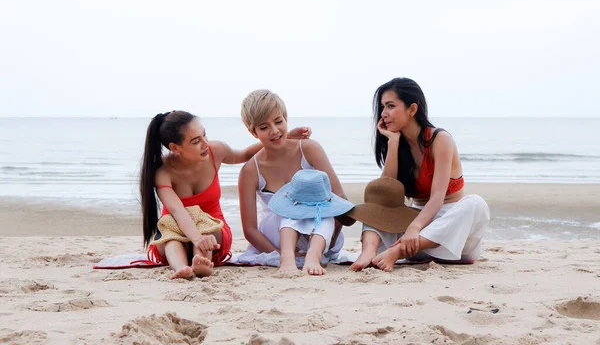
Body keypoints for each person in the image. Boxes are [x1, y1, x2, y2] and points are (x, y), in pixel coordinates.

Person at [140, 110, 310, 279]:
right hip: (176, 227)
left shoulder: (216, 151)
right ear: (175, 148)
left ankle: (201, 264)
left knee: (207, 232)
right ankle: (181, 268)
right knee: (171, 239)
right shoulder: (163, 172)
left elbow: (243, 155)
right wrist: (196, 238)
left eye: (204, 135)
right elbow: (177, 211)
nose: (206, 144)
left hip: (212, 231)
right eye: (196, 141)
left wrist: (286, 137)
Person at [349, 78, 491, 272]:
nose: (383, 114)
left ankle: (396, 252)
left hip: (451, 236)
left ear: (412, 109)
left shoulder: (440, 139)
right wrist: (393, 142)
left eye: (391, 106)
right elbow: (384, 190)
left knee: (476, 204)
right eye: (382, 107)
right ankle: (368, 252)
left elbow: (438, 198)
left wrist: (414, 229)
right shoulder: (399, 145)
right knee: (377, 198)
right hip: (415, 235)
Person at [237, 90, 348, 275]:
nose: (275, 131)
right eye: (264, 127)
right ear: (253, 131)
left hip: (317, 231)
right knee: (288, 204)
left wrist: (330, 242)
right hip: (278, 237)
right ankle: (287, 258)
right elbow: (250, 230)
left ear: (286, 118)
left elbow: (339, 199)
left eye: (279, 121)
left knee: (322, 203)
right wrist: (278, 253)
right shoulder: (250, 171)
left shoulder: (309, 148)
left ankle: (314, 253)